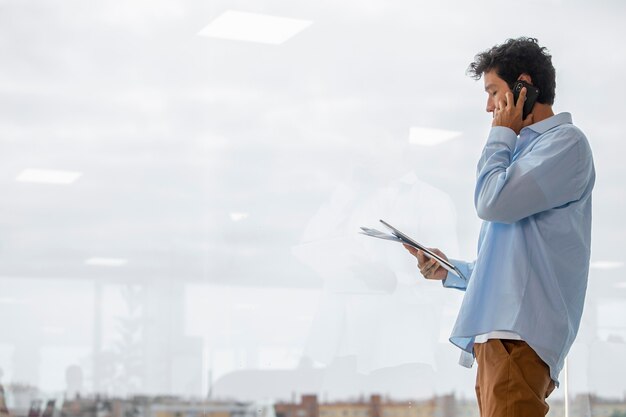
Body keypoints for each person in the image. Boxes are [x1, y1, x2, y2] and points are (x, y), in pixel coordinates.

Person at [404, 37, 595, 417]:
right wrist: (452, 271)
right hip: (501, 340)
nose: (488, 106)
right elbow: (514, 265)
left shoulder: (564, 145)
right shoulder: (526, 153)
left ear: (523, 87)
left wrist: (500, 135)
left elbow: (491, 202)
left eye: (493, 92)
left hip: (517, 340)